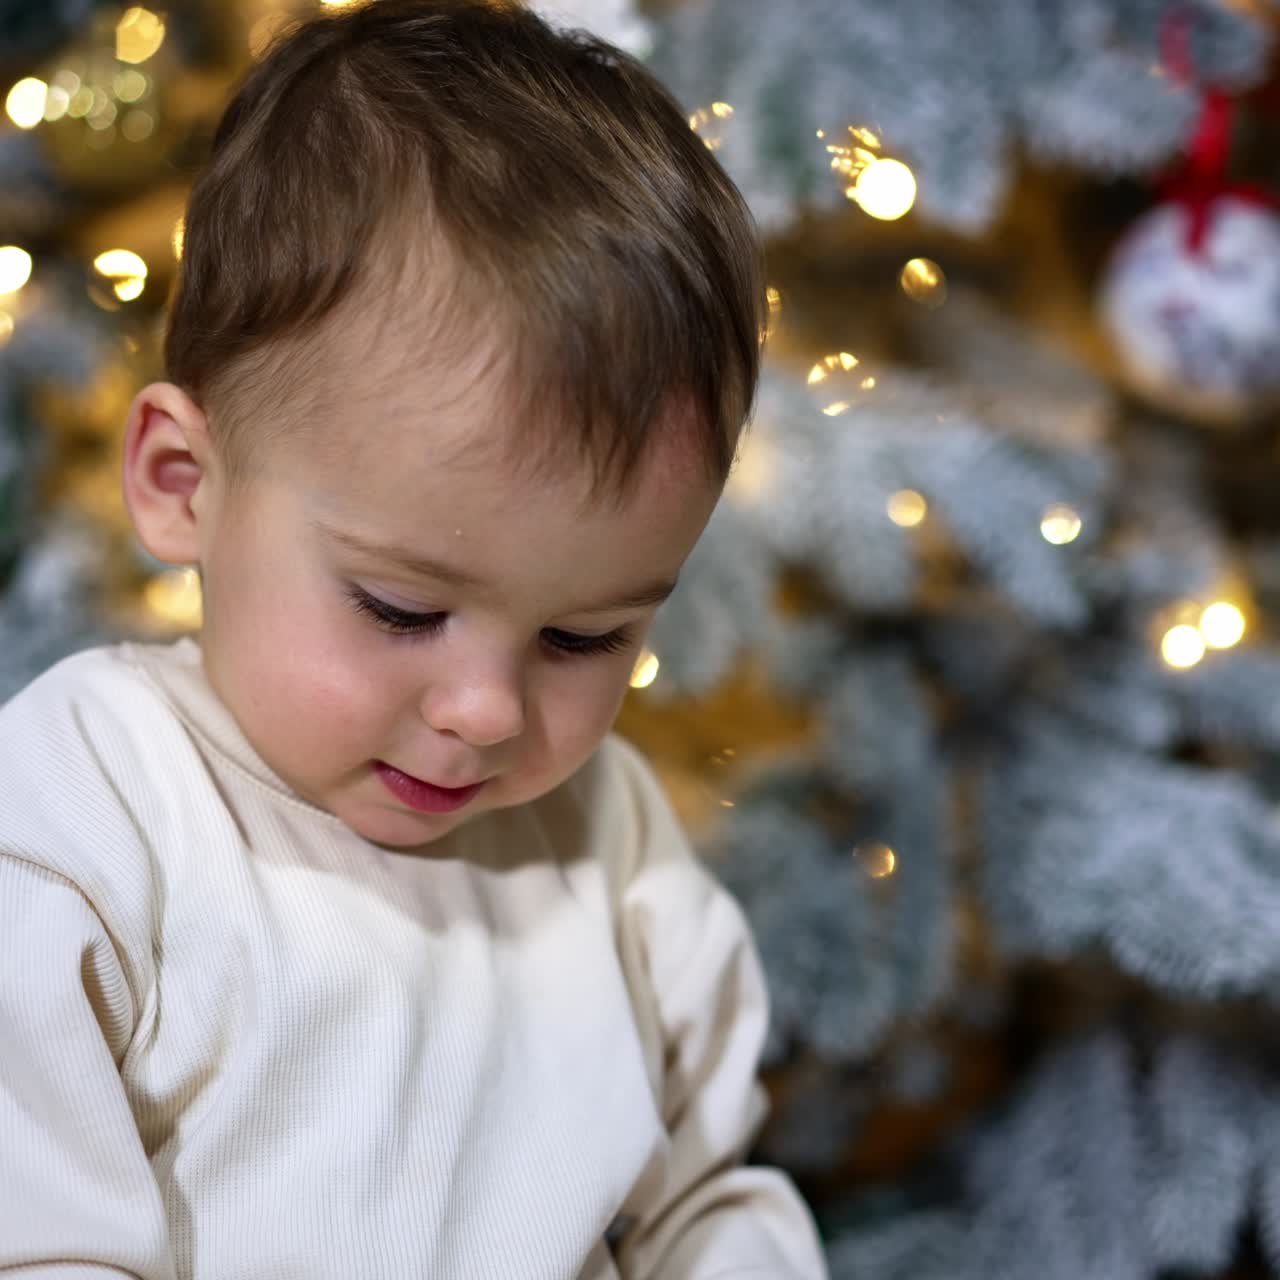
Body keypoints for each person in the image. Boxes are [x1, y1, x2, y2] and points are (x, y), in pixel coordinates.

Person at [0, 1, 829, 1276]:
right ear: (182, 480)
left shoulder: (609, 846)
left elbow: (706, 1204)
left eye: (583, 635)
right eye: (399, 608)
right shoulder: (77, 816)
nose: (486, 707)